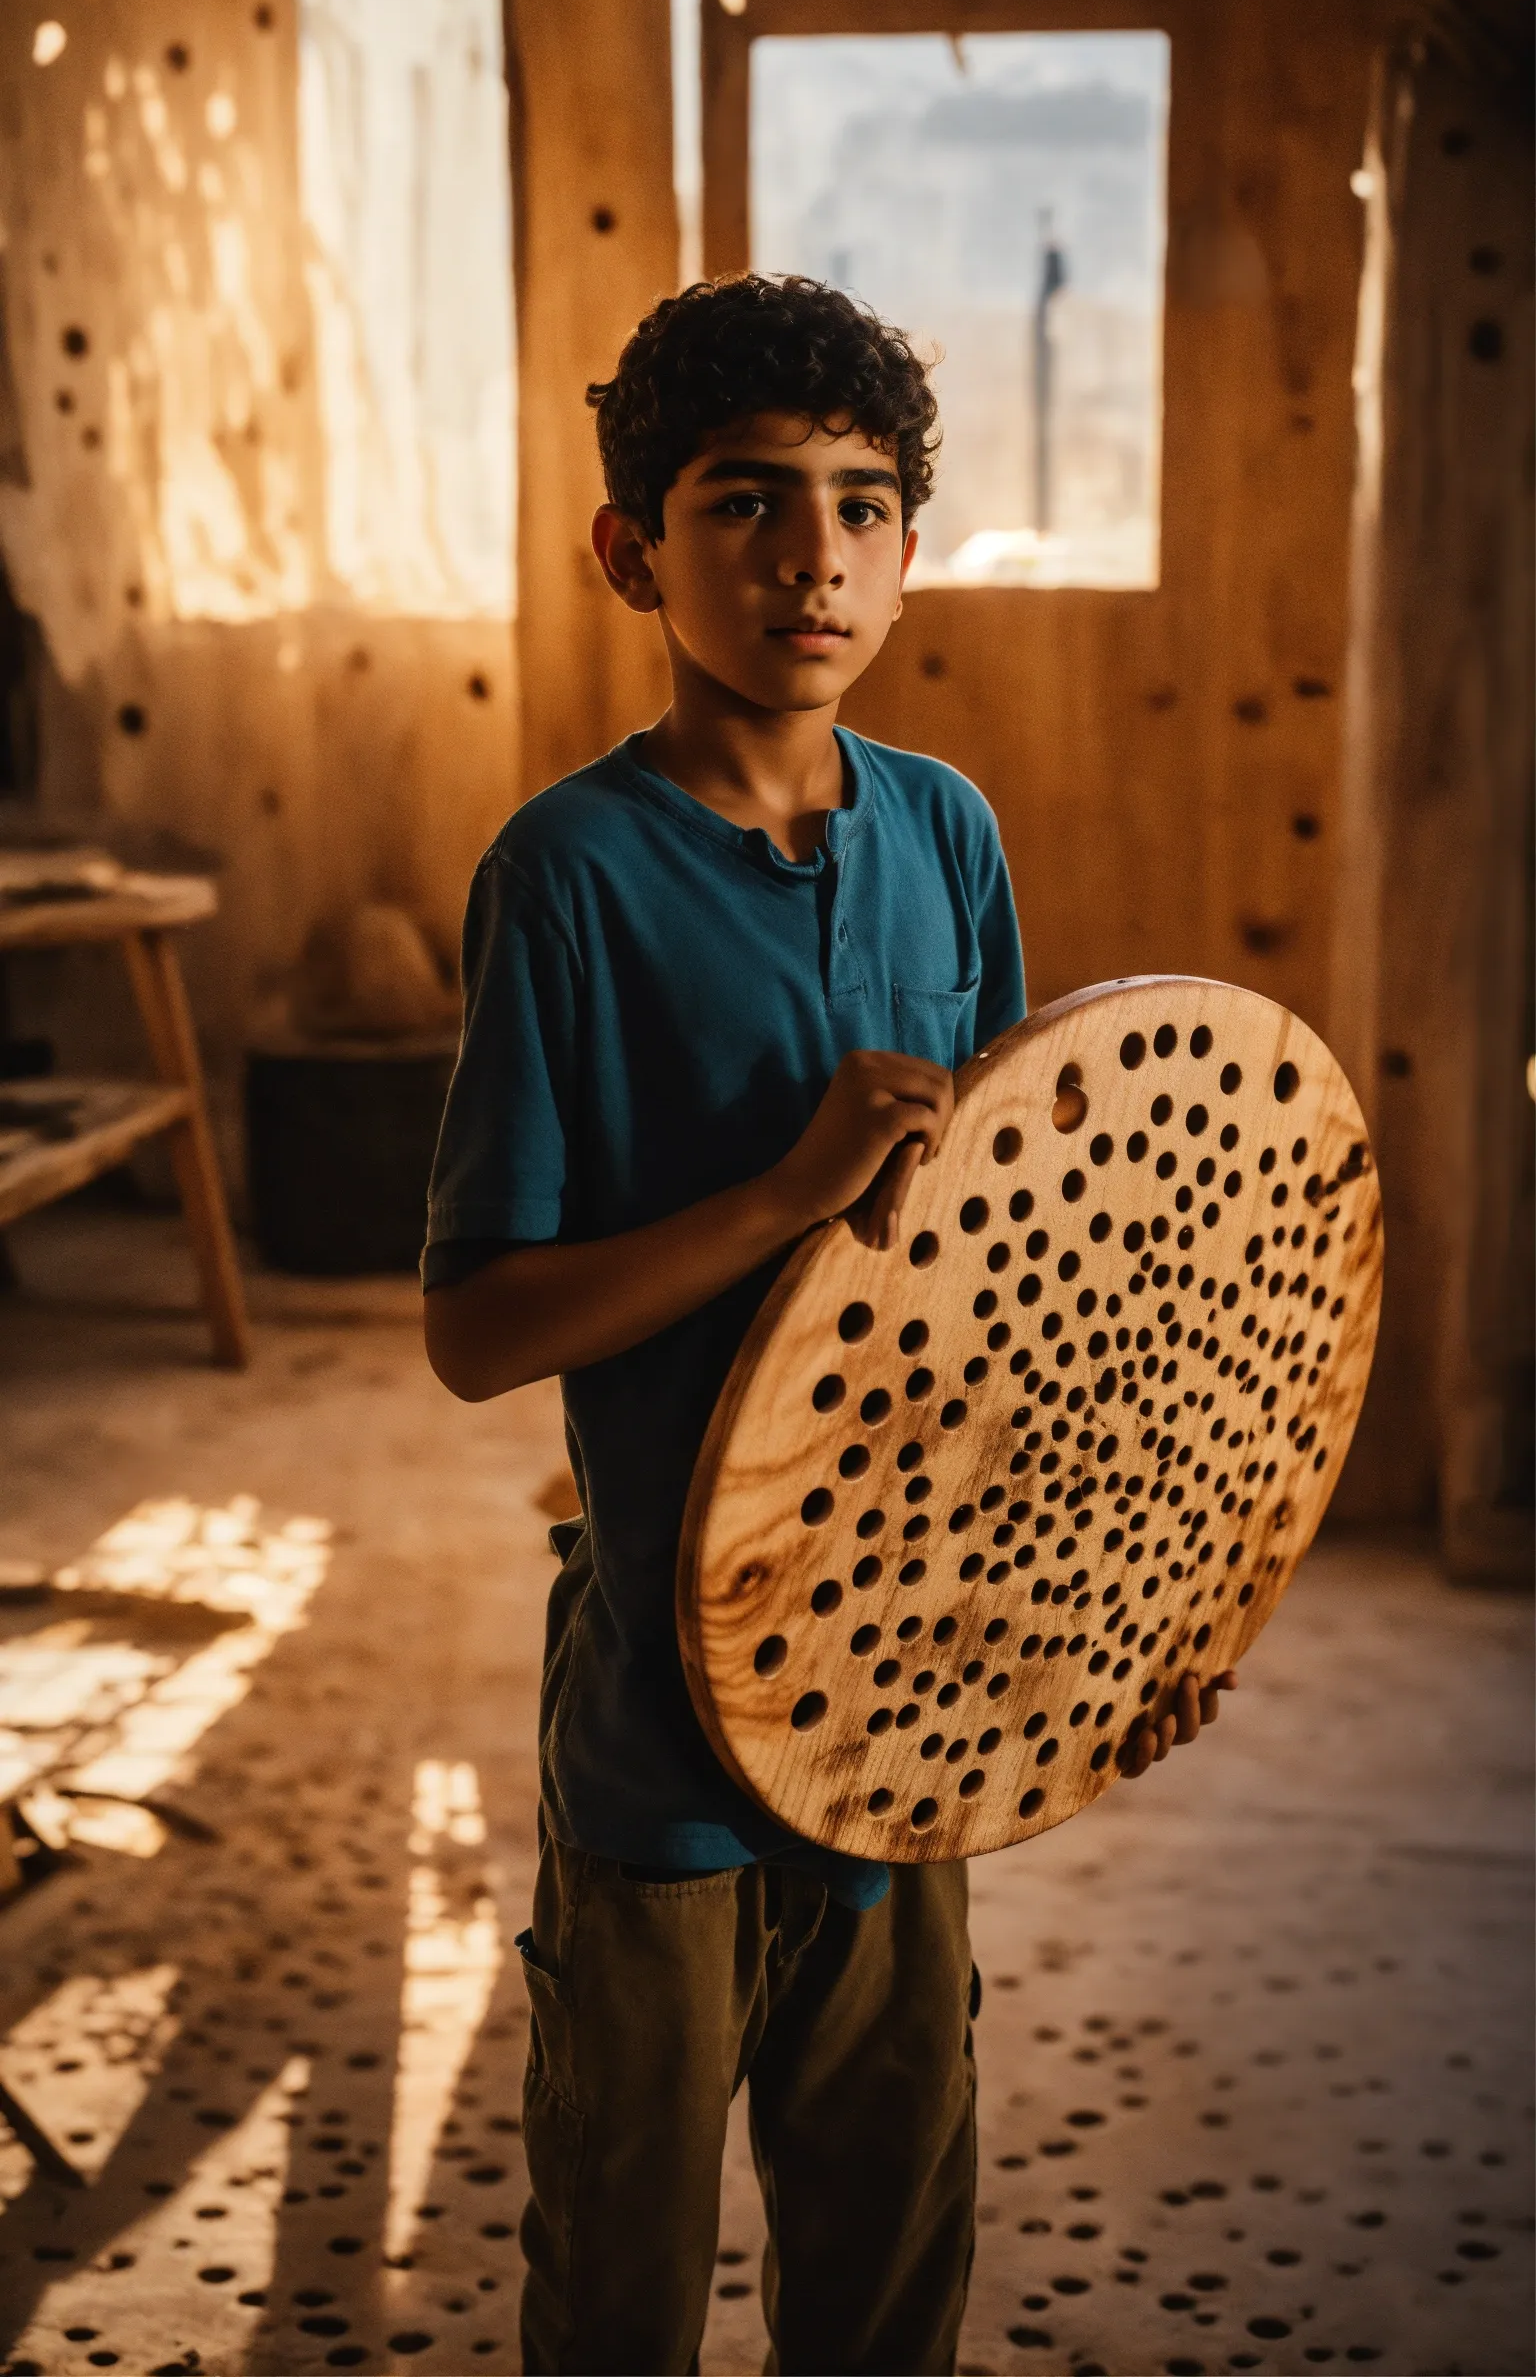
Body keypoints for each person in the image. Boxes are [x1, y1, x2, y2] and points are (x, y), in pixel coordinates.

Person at [422, 274, 1231, 2376]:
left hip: (913, 1707)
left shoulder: (946, 835)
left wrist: (1119, 1617)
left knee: (887, 2252)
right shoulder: (567, 875)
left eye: (866, 506)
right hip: (664, 1730)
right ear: (632, 548)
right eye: (748, 501)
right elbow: (478, 1326)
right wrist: (779, 1196)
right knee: (619, 2262)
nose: (815, 559)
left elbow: (1017, 1293)